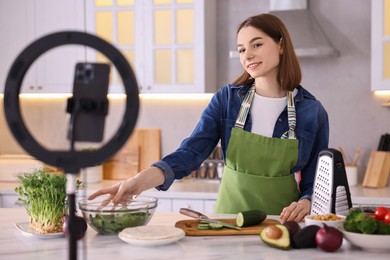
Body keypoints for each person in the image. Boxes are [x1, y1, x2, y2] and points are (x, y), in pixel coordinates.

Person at [88, 13, 329, 222]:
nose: (248, 56)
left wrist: (307, 202)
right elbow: (191, 153)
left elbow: (315, 181)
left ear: (281, 45)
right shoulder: (227, 100)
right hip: (227, 220)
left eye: (257, 45)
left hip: (283, 221)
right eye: (242, 49)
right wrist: (138, 181)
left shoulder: (312, 111)